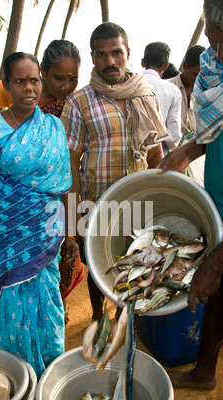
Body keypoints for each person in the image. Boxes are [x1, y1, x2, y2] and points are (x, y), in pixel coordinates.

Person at [158, 0, 223, 400]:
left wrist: (217, 261)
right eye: (215, 42)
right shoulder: (218, 69)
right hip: (220, 213)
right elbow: (219, 131)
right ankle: (203, 373)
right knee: (211, 301)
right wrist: (190, 149)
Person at [0, 52, 72, 378]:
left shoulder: (53, 127)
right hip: (6, 237)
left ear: (42, 83)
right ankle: (19, 375)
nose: (28, 88)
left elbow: (62, 185)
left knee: (48, 301)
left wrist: (70, 234)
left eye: (34, 80)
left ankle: (48, 371)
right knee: (13, 307)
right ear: (6, 85)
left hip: (46, 234)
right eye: (19, 81)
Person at [61, 22, 168, 320]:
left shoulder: (145, 95)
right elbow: (71, 164)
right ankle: (98, 316)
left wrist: (163, 200)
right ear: (93, 57)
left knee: (134, 260)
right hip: (95, 202)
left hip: (138, 201)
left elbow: (155, 153)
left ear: (128, 53)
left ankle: (126, 319)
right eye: (102, 54)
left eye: (116, 53)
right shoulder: (79, 101)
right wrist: (73, 219)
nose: (110, 61)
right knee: (97, 265)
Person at [0, 40, 84, 319]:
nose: (65, 85)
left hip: (47, 223)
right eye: (59, 78)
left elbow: (64, 179)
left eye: (73, 78)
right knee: (13, 304)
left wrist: (70, 231)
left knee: (52, 293)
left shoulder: (60, 119)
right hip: (8, 226)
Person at [142, 41, 182, 154]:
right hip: (159, 151)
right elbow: (173, 133)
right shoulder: (173, 90)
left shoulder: (130, 83)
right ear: (165, 66)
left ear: (143, 62)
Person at [169, 44, 206, 138]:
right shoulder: (168, 88)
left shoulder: (206, 94)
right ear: (185, 66)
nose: (198, 79)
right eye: (195, 74)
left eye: (202, 75)